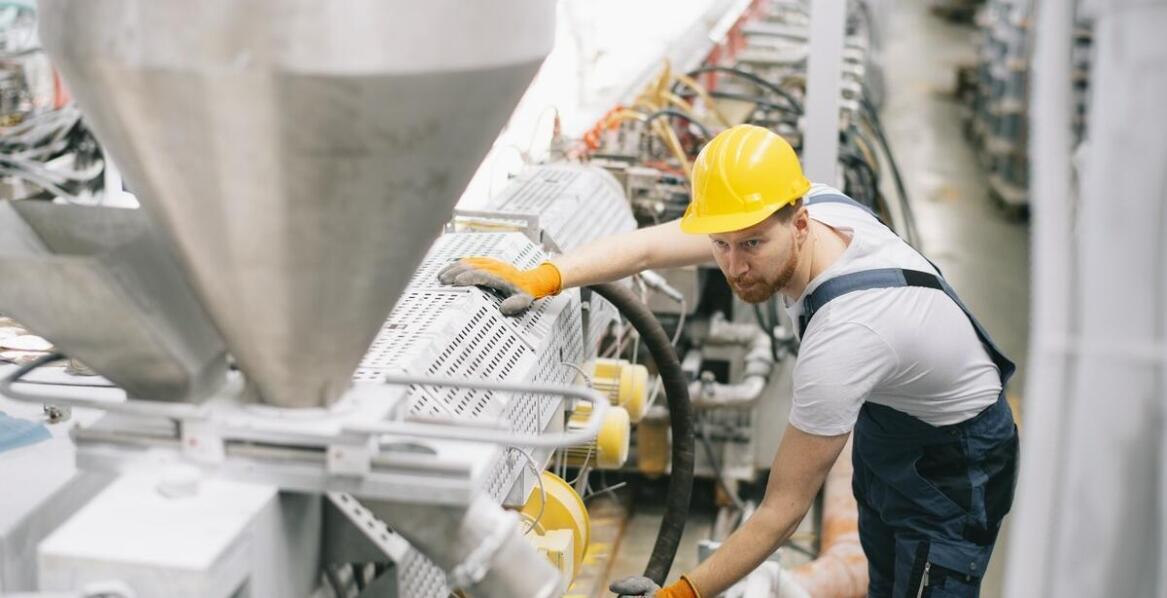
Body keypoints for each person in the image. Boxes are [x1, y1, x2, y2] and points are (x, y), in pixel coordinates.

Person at [439, 124, 1019, 597]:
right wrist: (545, 275)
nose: (734, 266)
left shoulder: (847, 334)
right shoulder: (793, 209)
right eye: (722, 245)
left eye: (752, 246)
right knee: (884, 580)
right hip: (893, 428)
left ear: (798, 223)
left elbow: (782, 511)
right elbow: (647, 246)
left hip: (957, 460)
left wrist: (683, 593)